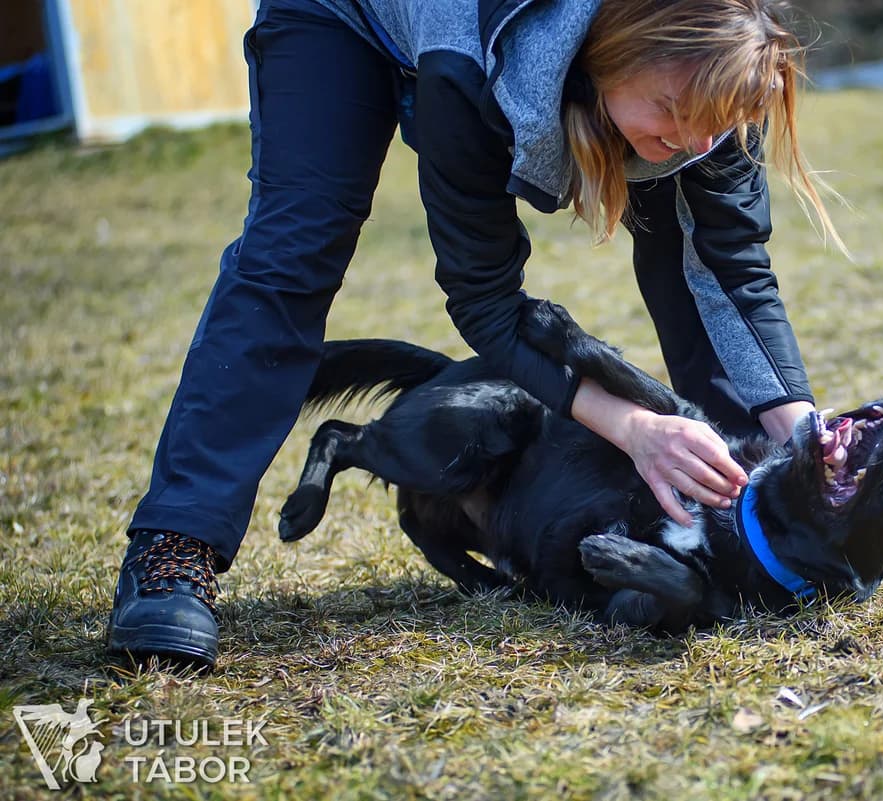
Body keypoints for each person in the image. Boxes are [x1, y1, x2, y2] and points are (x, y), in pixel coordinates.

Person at [106, 0, 843, 669]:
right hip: (354, 18)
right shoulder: (479, 68)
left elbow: (727, 268)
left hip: (511, 53)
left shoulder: (715, 68)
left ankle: (738, 519)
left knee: (702, 260)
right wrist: (636, 426)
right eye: (673, 109)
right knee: (296, 247)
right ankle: (177, 548)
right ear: (614, 51)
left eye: (714, 120)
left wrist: (808, 442)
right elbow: (487, 301)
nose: (696, 138)